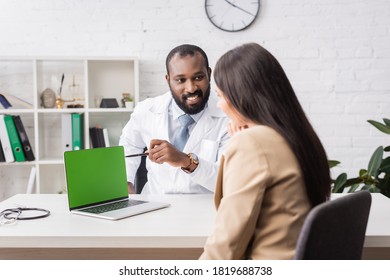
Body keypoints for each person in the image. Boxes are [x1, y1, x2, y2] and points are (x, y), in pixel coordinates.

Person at [199, 43, 331, 260]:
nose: (220, 105)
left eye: (220, 95)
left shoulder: (251, 144)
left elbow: (224, 248)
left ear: (241, 97)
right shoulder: (297, 135)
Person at [119, 44, 229, 194]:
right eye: (180, 80)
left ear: (209, 74)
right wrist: (126, 181)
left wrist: (186, 161)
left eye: (198, 77)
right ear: (168, 79)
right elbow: (128, 145)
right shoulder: (147, 111)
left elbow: (228, 180)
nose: (191, 88)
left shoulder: (229, 116)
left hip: (205, 209)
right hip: (156, 205)